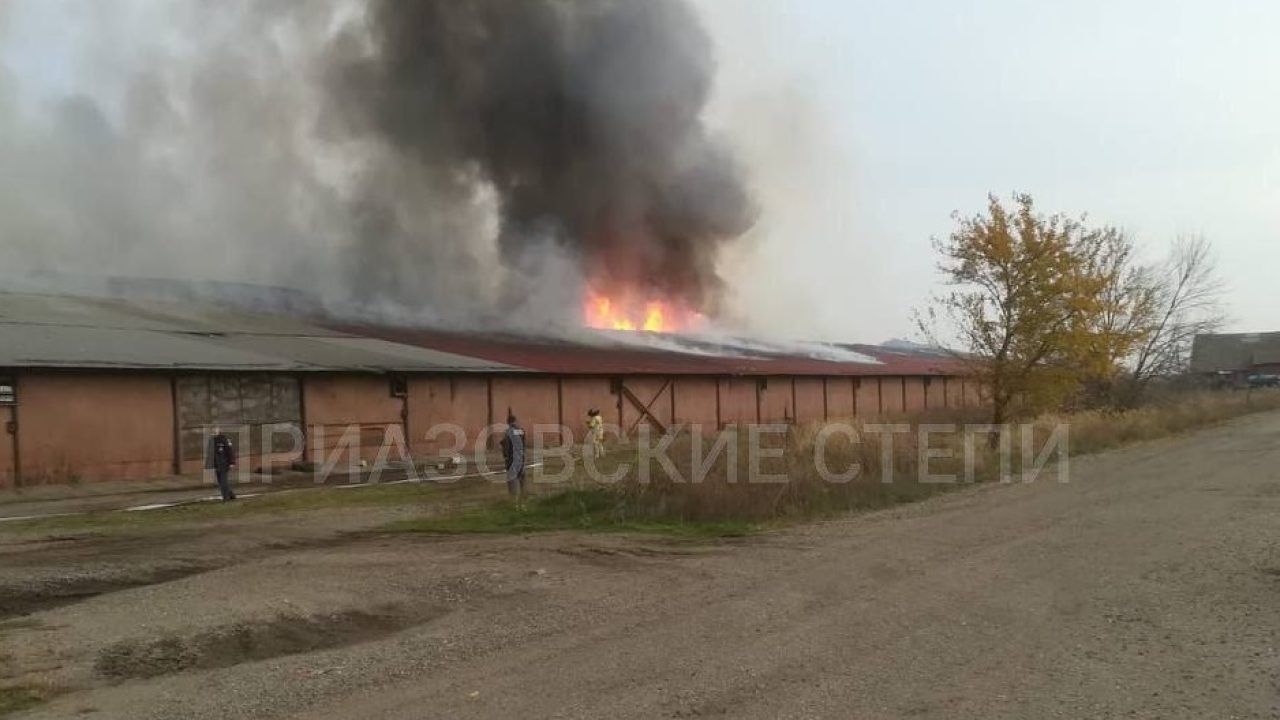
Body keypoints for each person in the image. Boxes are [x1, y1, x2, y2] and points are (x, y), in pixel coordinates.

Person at [205, 427, 237, 502]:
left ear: (218, 431)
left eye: (215, 431)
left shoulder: (224, 439)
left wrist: (232, 462)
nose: (213, 432)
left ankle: (226, 498)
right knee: (220, 482)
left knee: (223, 482)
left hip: (224, 464)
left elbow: (230, 451)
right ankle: (231, 495)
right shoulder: (212, 440)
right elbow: (210, 453)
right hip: (217, 464)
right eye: (212, 431)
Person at [500, 413, 527, 497]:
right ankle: (524, 496)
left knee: (512, 480)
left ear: (508, 422)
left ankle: (513, 499)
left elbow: (506, 445)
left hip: (511, 459)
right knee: (522, 478)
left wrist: (505, 456)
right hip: (521, 458)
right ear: (515, 421)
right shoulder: (521, 431)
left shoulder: (508, 432)